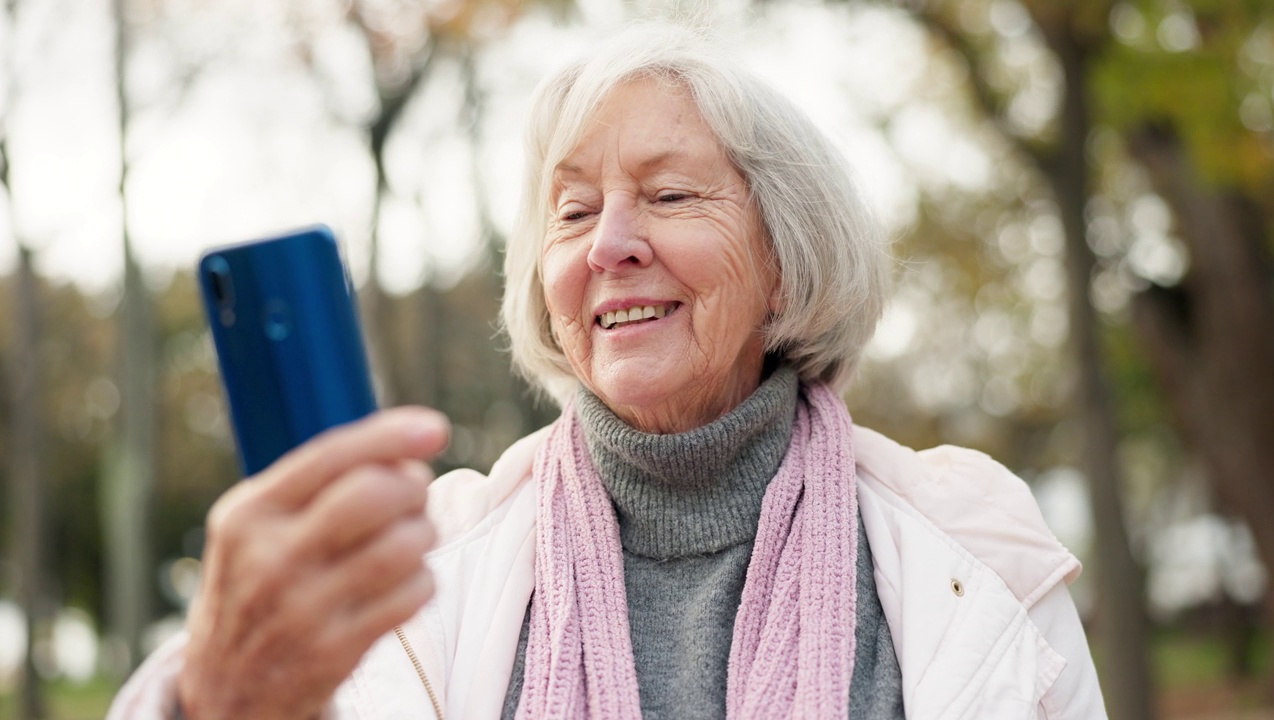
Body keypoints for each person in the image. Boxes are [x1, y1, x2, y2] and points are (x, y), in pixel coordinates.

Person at [109, 20, 1107, 720]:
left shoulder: (973, 553)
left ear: (783, 264)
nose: (608, 245)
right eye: (573, 211)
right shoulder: (423, 574)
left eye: (668, 194)